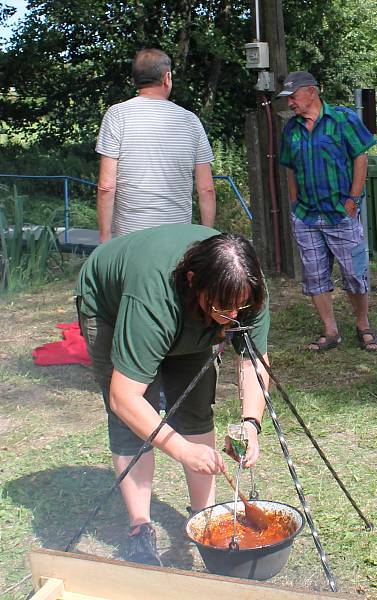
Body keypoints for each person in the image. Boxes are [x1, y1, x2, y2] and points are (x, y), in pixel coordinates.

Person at [76, 224, 271, 565]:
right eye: (225, 308)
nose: (233, 317)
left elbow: (253, 359)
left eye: (239, 308)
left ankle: (203, 516)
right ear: (194, 280)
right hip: (112, 305)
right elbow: (125, 398)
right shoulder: (153, 299)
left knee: (195, 409)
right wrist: (181, 449)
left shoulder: (244, 289)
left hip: (190, 309)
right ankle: (140, 526)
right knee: (134, 419)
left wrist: (251, 424)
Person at [277, 71, 377, 352]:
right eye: (288, 99)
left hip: (340, 212)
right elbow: (289, 168)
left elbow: (361, 155)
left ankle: (363, 325)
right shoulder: (292, 129)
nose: (290, 104)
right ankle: (330, 331)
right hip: (307, 216)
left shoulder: (343, 119)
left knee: (354, 273)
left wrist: (352, 200)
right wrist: (295, 203)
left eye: (293, 97)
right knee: (314, 275)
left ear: (311, 92)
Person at [95, 48, 216, 243]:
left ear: (136, 79)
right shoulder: (190, 121)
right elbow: (206, 189)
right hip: (177, 240)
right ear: (167, 77)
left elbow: (106, 187)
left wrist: (104, 238)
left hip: (129, 240)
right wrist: (206, 239)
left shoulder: (116, 116)